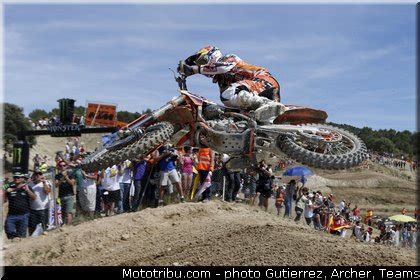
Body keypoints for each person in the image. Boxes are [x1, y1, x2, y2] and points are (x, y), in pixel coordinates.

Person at [178, 46, 284, 122]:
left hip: (263, 80)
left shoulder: (228, 58)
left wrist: (194, 70)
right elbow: (233, 104)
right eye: (200, 63)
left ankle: (264, 104)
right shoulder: (222, 81)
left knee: (228, 94)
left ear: (212, 54)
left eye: (203, 61)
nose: (202, 65)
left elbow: (223, 68)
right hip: (258, 91)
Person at [4, 172, 36, 239]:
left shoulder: (27, 187)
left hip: (24, 215)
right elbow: (4, 201)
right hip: (11, 215)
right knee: (9, 231)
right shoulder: (10, 187)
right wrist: (5, 192)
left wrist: (27, 190)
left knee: (21, 235)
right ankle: (14, 240)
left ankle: (19, 246)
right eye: (14, 177)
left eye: (18, 177)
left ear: (22, 179)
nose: (16, 179)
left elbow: (34, 198)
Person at [28, 171, 51, 235]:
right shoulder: (30, 184)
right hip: (32, 209)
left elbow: (47, 191)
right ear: (34, 176)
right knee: (32, 227)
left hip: (43, 209)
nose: (39, 176)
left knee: (44, 227)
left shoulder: (46, 182)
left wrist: (43, 182)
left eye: (40, 175)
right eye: (37, 175)